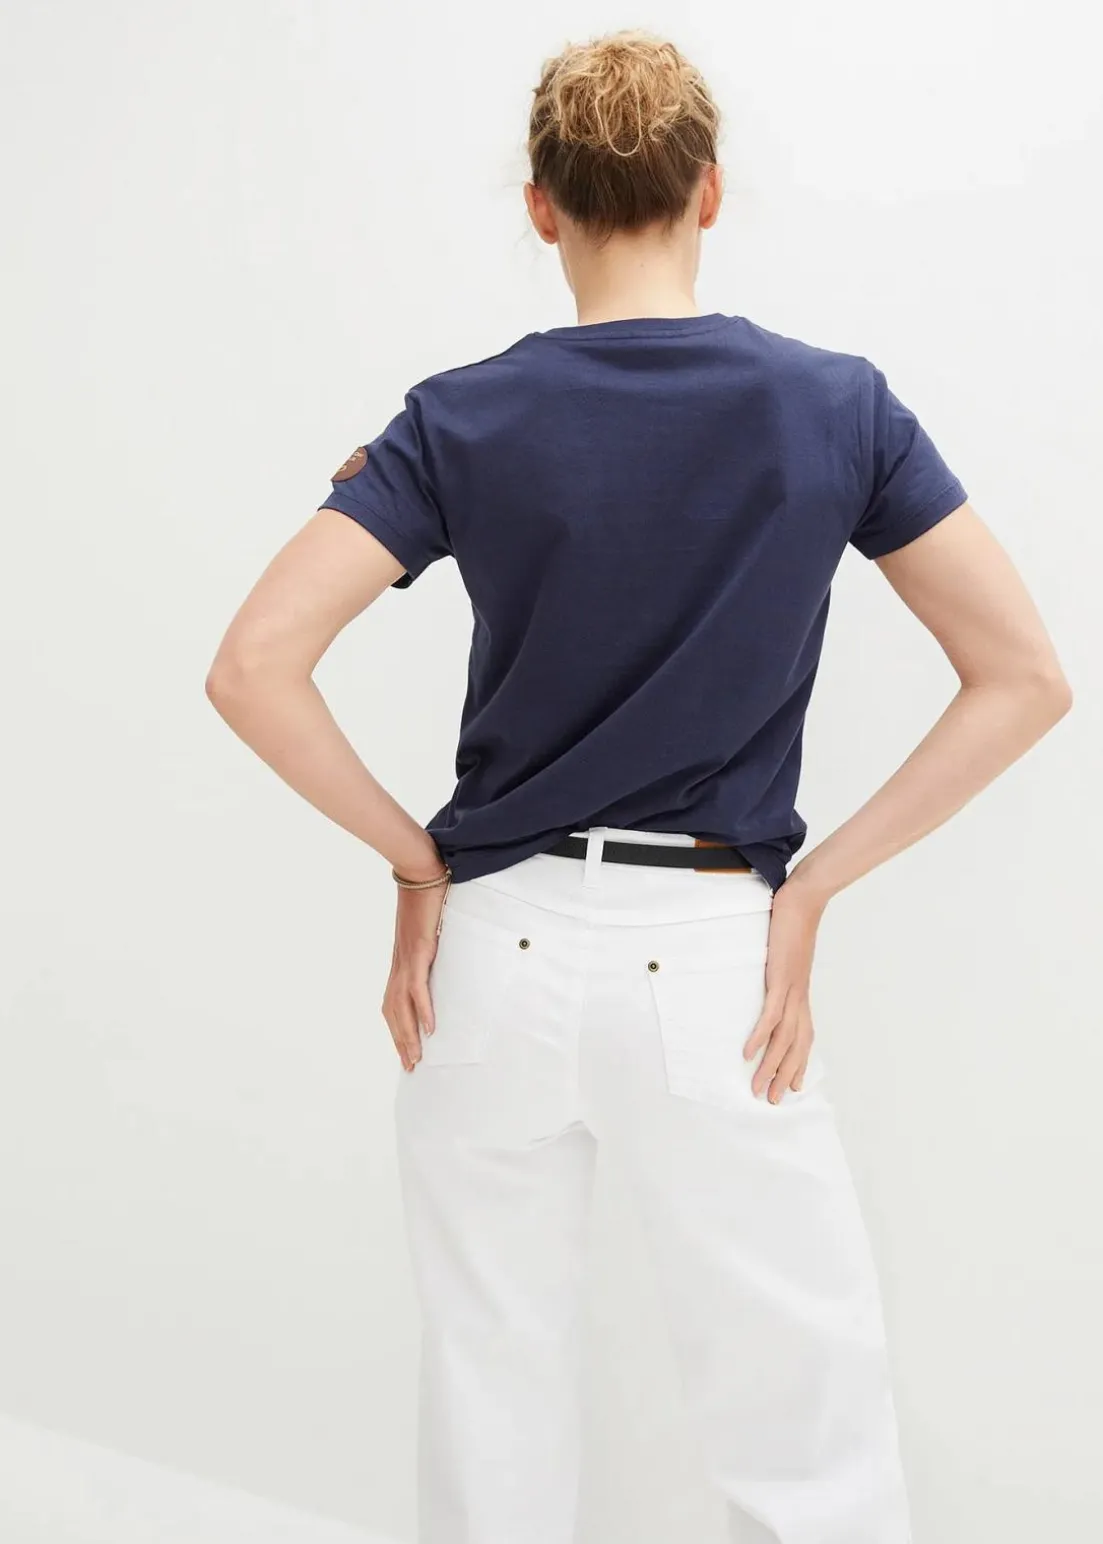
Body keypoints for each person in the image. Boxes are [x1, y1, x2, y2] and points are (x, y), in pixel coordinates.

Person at [205, 27, 1072, 1544]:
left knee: (491, 1398)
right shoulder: (836, 407)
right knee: (801, 1423)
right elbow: (1023, 678)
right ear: (709, 191)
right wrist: (813, 888)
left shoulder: (458, 416)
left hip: (491, 956)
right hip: (713, 959)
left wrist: (416, 863)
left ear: (541, 206)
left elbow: (254, 665)